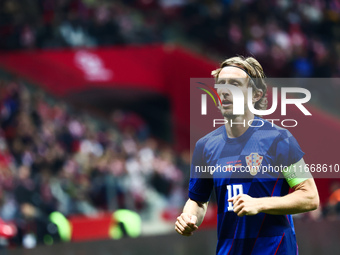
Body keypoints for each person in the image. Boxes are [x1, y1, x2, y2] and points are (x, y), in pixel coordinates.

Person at [175, 56, 319, 254]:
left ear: (256, 95)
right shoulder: (205, 146)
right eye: (221, 84)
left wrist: (259, 204)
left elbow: (310, 196)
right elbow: (198, 200)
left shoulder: (279, 139)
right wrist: (188, 218)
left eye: (234, 84)